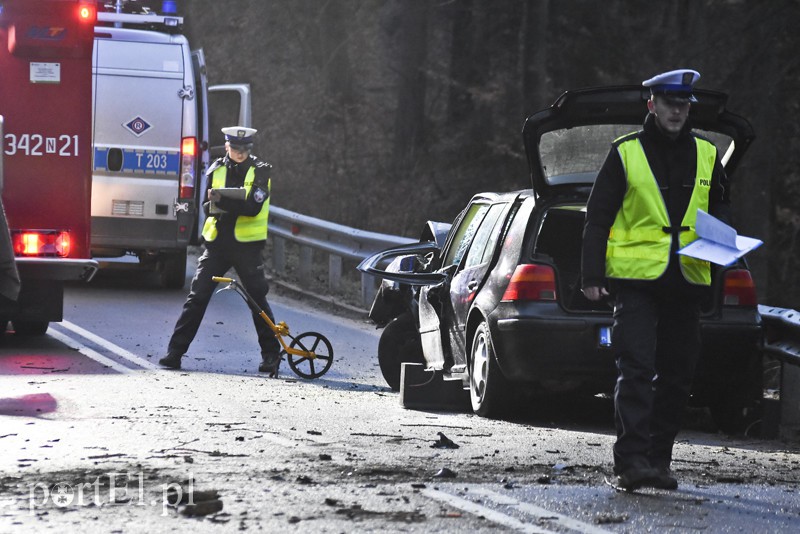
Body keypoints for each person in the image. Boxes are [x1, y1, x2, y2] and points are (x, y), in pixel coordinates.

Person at [581, 69, 732, 491]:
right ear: (652, 104)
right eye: (669, 103)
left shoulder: (707, 153)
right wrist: (592, 274)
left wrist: (723, 247)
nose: (677, 111)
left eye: (684, 105)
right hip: (636, 282)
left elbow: (720, 209)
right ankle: (630, 464)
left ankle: (659, 462)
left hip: (686, 281)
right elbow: (597, 218)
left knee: (678, 375)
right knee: (637, 370)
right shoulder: (625, 152)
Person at [160, 126, 282, 375]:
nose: (240, 153)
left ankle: (271, 355)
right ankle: (175, 352)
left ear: (250, 148)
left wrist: (222, 201)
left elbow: (252, 208)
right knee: (197, 298)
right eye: (235, 149)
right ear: (227, 146)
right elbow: (206, 204)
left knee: (256, 300)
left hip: (247, 246)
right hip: (217, 244)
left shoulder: (260, 170)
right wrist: (213, 203)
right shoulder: (216, 168)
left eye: (244, 149)